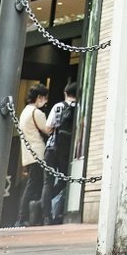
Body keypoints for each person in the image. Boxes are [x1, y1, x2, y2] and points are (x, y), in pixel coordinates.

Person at [40, 80, 78, 226]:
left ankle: (46, 215)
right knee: (63, 180)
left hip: (52, 148)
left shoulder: (58, 107)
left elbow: (48, 127)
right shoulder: (80, 107)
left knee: (47, 182)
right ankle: (45, 201)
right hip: (67, 150)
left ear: (65, 93)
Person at [15, 83, 50, 227]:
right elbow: (48, 129)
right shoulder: (37, 113)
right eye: (44, 98)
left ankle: (25, 217)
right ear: (39, 97)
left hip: (28, 155)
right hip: (38, 153)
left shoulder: (24, 112)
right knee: (33, 186)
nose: (45, 101)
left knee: (31, 185)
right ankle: (22, 217)